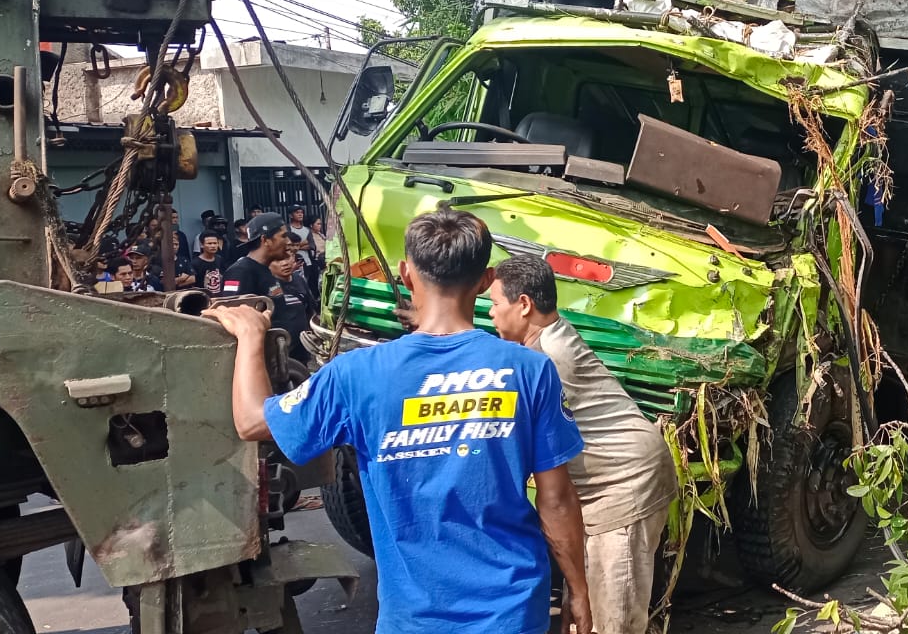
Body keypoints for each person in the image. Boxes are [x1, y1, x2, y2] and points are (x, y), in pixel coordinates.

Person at [201, 209, 593, 634]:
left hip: (414, 618)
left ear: (407, 275)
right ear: (485, 281)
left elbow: (252, 421)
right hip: (512, 611)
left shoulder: (356, 373)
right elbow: (556, 500)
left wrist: (251, 337)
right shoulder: (529, 370)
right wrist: (579, 589)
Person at [489, 254, 677, 634]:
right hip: (613, 477)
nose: (491, 314)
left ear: (524, 305)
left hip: (626, 483)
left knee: (613, 618)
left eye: (494, 304)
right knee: (587, 609)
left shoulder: (548, 359)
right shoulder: (545, 340)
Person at [220, 213, 311, 364]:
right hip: (262, 362)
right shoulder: (240, 272)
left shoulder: (265, 270)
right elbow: (235, 321)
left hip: (284, 358)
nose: (288, 241)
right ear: (265, 240)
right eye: (283, 236)